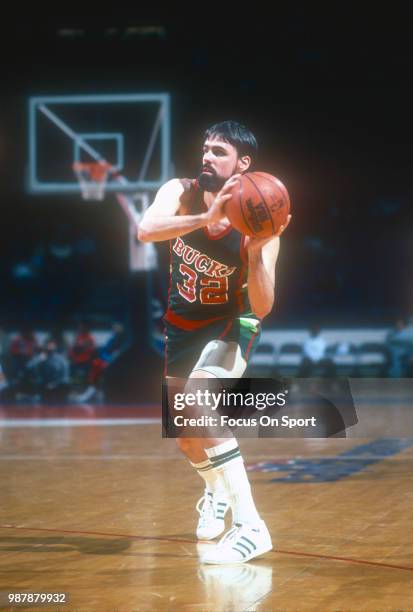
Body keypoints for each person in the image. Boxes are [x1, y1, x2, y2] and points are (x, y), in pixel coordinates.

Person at [138, 120, 290, 564]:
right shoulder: (179, 191)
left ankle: (251, 526)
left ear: (243, 164)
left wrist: (260, 252)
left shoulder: (258, 223)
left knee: (203, 401)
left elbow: (262, 307)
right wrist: (206, 218)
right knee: (187, 438)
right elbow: (146, 231)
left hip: (230, 323)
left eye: (219, 151)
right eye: (205, 148)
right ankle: (214, 491)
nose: (207, 156)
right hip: (182, 326)